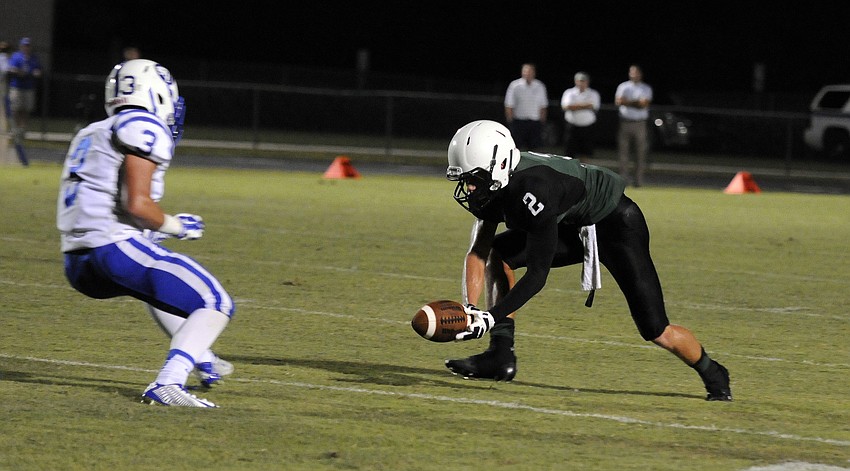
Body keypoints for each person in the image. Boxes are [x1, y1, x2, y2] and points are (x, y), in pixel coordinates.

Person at [443, 120, 732, 401]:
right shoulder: (496, 183)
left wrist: (491, 317)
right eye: (465, 180)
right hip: (572, 220)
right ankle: (500, 355)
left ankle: (714, 373)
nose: (469, 189)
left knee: (656, 330)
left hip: (616, 225)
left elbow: (537, 275)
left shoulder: (534, 188)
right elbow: (478, 252)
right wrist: (470, 311)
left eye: (474, 179)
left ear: (500, 166)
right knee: (498, 253)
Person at [56, 59, 235, 408]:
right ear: (156, 93)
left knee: (156, 281)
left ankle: (202, 356)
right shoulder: (142, 125)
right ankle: (168, 383)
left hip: (77, 260)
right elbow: (137, 205)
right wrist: (176, 226)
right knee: (215, 301)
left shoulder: (92, 131)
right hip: (112, 248)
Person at [614, 64, 653, 186]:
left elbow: (644, 104)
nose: (634, 75)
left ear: (640, 74)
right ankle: (623, 180)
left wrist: (628, 102)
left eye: (636, 72)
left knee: (640, 153)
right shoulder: (623, 86)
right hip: (625, 122)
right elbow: (619, 101)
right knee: (623, 153)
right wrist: (636, 103)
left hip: (640, 123)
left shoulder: (645, 88)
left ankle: (638, 180)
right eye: (632, 72)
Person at [7, 37, 42, 166]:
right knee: (16, 109)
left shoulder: (33, 58)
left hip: (28, 88)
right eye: (24, 45)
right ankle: (16, 129)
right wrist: (19, 72)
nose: (26, 48)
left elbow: (38, 70)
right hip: (17, 87)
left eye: (28, 46)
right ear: (21, 46)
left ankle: (22, 130)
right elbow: (11, 68)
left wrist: (36, 73)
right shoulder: (16, 56)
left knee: (26, 110)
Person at [504, 63, 548, 151]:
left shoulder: (540, 86)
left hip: (535, 123)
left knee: (534, 150)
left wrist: (542, 122)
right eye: (526, 71)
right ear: (522, 72)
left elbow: (543, 106)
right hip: (519, 122)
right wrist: (511, 122)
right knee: (516, 149)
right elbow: (509, 104)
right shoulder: (515, 85)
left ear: (534, 73)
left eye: (530, 71)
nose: (528, 74)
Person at [560, 71, 601, 160]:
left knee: (585, 153)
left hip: (587, 127)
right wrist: (585, 105)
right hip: (572, 127)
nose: (581, 83)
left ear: (587, 82)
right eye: (579, 81)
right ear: (576, 81)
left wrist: (575, 106)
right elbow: (566, 106)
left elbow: (594, 106)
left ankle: (583, 169)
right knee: (569, 153)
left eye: (584, 81)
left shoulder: (593, 93)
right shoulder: (569, 92)